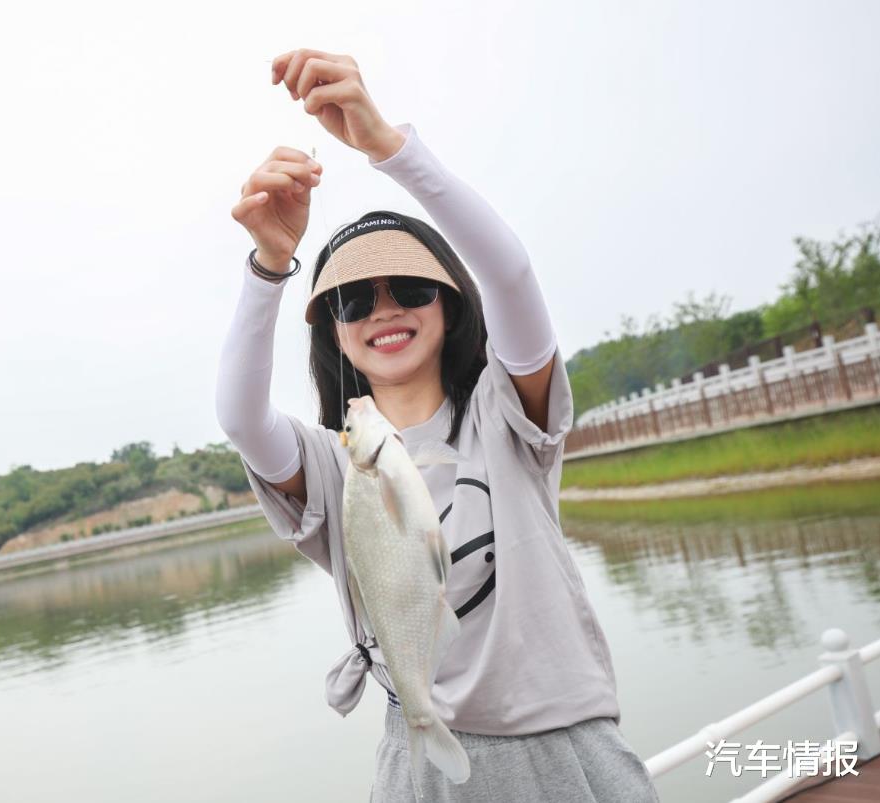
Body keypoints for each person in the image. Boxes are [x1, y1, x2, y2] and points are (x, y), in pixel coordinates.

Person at [216, 48, 661, 802]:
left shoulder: (505, 412)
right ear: (335, 332)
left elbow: (511, 274)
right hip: (422, 761)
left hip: (566, 746)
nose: (384, 308)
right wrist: (268, 262)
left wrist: (388, 147)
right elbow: (240, 417)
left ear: (450, 302)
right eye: (354, 301)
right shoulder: (337, 464)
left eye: (411, 287)